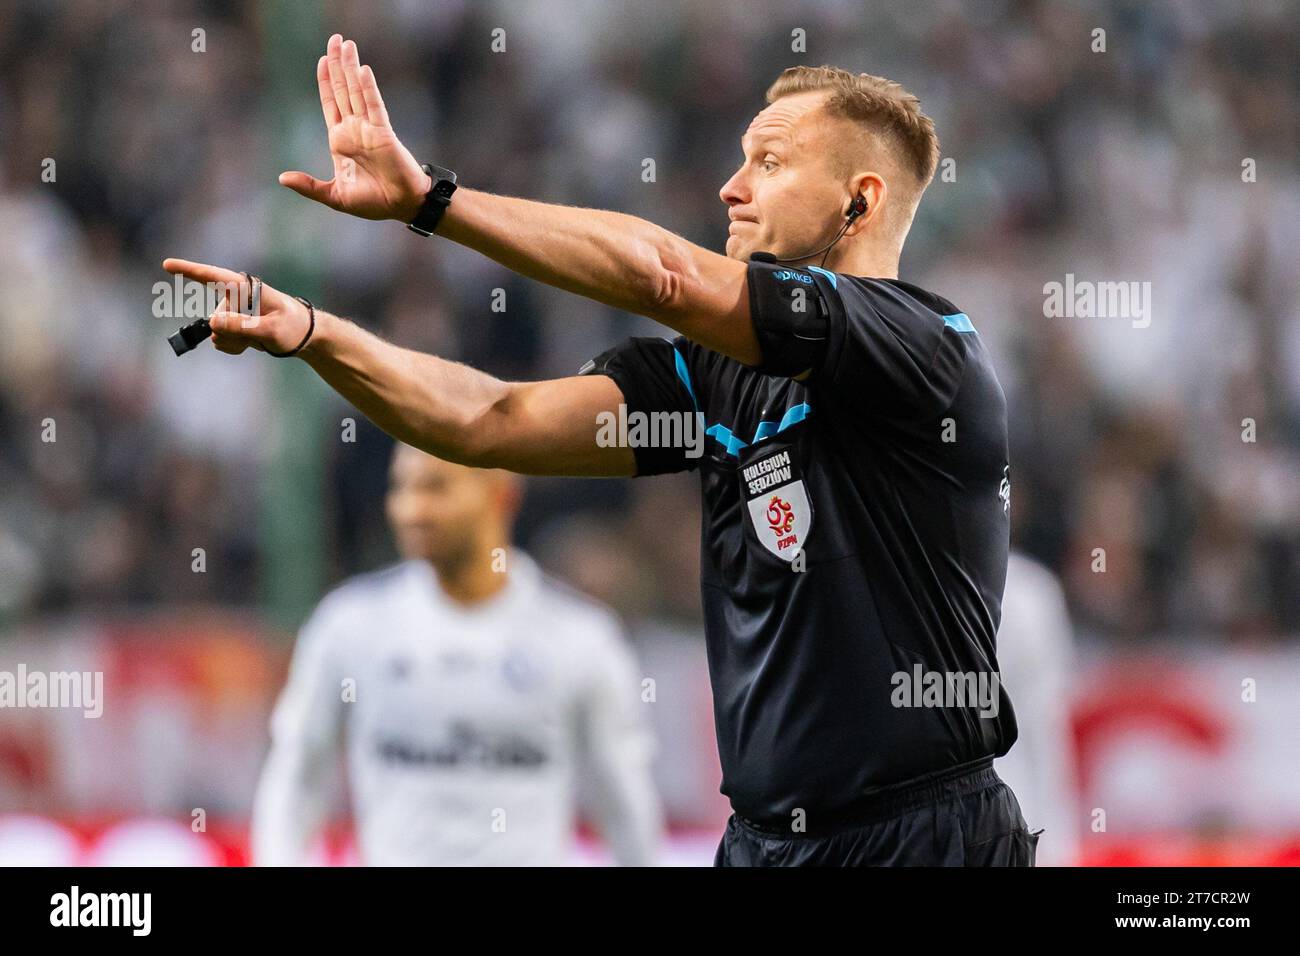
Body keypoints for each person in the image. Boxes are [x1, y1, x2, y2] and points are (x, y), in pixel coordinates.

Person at [170, 34, 1033, 866]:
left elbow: (666, 272)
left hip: (922, 836)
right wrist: (317, 334)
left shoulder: (924, 344)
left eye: (769, 162)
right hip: (768, 842)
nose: (732, 188)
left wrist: (434, 202)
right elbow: (490, 420)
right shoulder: (718, 376)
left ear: (861, 200)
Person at [251, 443, 662, 866]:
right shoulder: (350, 626)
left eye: (436, 488)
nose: (412, 510)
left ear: (501, 493)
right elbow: (296, 779)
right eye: (401, 488)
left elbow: (625, 803)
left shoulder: (579, 638)